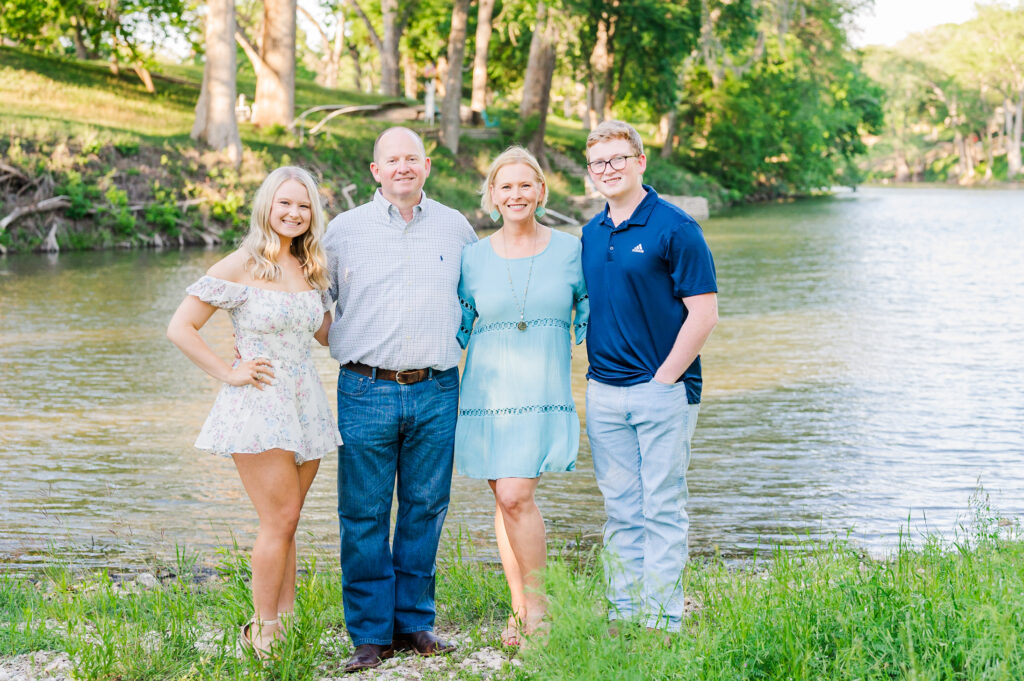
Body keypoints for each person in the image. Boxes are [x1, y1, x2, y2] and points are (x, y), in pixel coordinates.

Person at [166, 166, 341, 658]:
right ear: (267, 206)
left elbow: (327, 335)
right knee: (278, 518)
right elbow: (181, 328)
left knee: (290, 519)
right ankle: (261, 632)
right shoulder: (242, 264)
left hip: (305, 402)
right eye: (285, 203)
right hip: (259, 402)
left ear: (313, 214)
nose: (293, 213)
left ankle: (283, 626)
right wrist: (229, 371)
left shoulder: (309, 265)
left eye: (303, 206)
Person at [324, 126, 477, 673]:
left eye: (412, 158)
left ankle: (413, 623)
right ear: (376, 171)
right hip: (365, 388)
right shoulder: (343, 231)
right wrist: (348, 347)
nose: (403, 167)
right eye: (392, 159)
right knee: (362, 512)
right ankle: (369, 635)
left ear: (427, 166)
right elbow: (317, 304)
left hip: (437, 388)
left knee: (425, 506)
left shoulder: (456, 227)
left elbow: (477, 297)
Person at [580, 120, 719, 632]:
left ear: (640, 162)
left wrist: (663, 381)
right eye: (598, 163)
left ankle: (663, 621)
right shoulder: (592, 233)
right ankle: (623, 612)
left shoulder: (676, 228)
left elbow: (703, 314)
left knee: (662, 508)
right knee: (620, 511)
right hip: (603, 391)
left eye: (618, 159)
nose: (608, 170)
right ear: (590, 172)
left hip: (663, 391)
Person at [455, 147, 589, 646]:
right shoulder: (472, 258)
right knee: (504, 500)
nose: (515, 195)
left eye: (525, 185)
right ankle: (520, 608)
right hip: (486, 396)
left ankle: (540, 608)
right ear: (491, 196)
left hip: (542, 390)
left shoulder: (571, 250)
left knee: (516, 496)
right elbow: (455, 327)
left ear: (541, 192)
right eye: (505, 187)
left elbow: (600, 309)